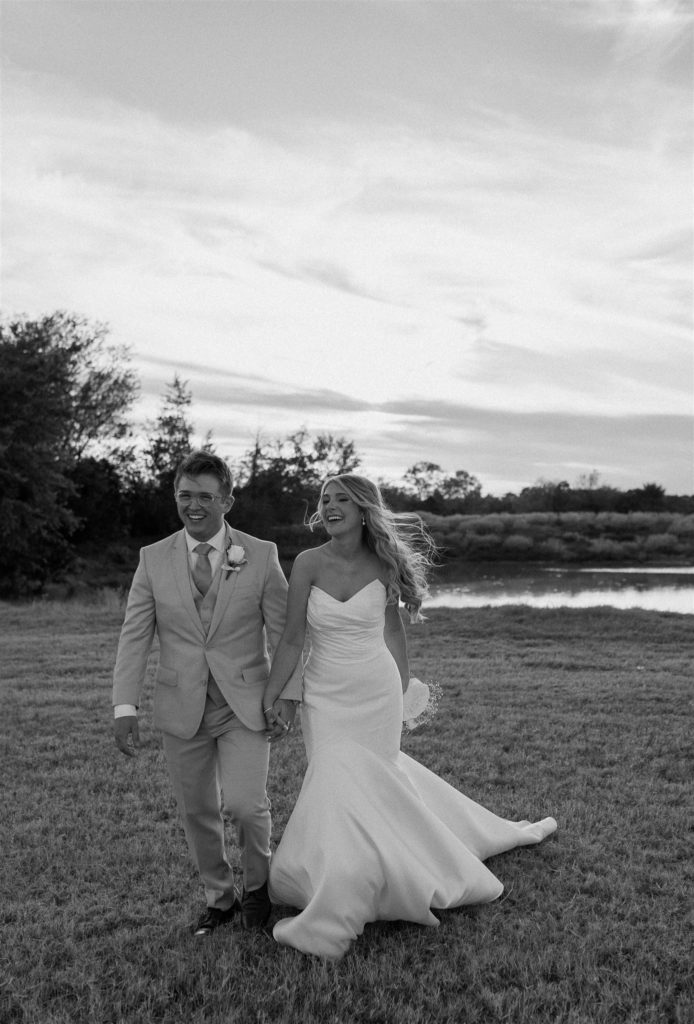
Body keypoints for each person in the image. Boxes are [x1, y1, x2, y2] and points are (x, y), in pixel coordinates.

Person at [262, 474, 557, 959]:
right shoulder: (308, 563)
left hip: (375, 691)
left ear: (363, 510)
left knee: (374, 783)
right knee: (335, 780)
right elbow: (292, 638)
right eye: (325, 499)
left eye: (342, 500)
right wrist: (273, 697)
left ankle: (353, 890)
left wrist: (402, 687)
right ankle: (349, 877)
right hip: (326, 695)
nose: (331, 506)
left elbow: (393, 630)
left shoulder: (383, 562)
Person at [112, 450, 301, 937]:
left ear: (227, 500)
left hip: (246, 703)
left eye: (205, 497)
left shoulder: (260, 554)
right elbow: (135, 635)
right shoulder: (152, 559)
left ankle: (258, 888)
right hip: (182, 705)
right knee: (197, 809)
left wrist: (287, 695)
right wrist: (125, 705)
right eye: (185, 495)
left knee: (245, 805)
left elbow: (284, 633)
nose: (193, 506)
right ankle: (219, 900)